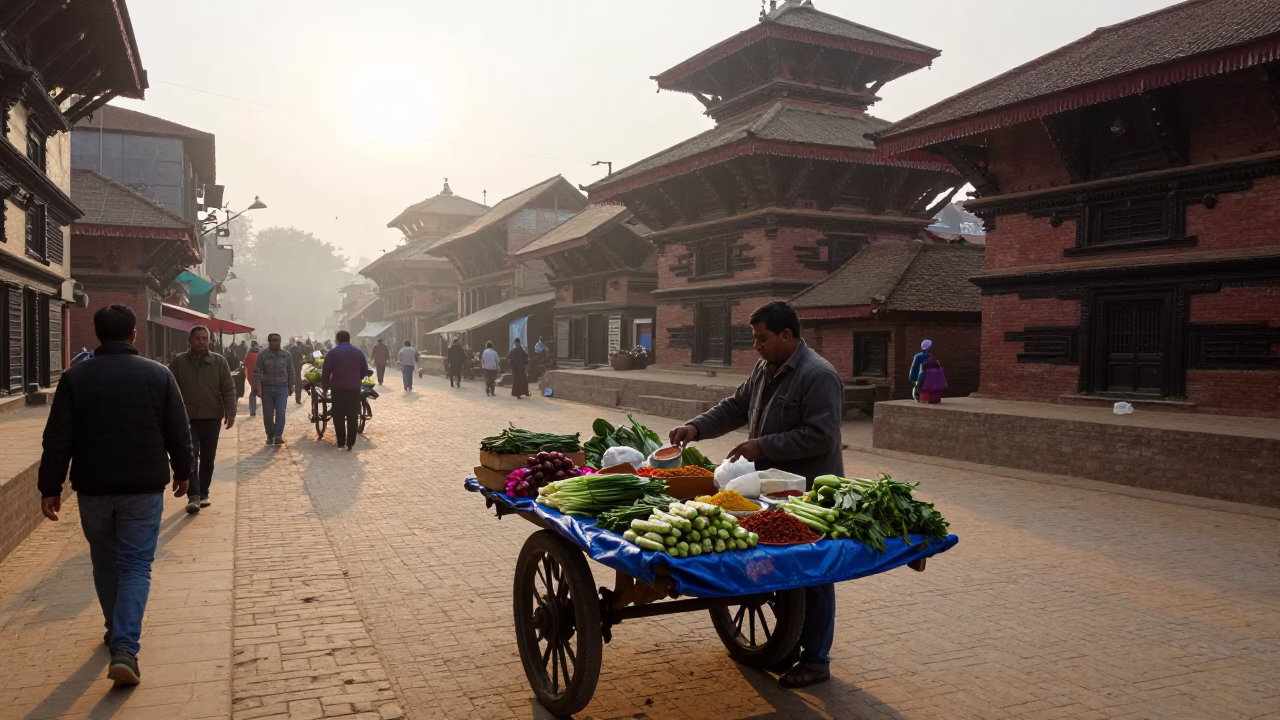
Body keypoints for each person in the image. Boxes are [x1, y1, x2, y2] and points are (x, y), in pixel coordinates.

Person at [668, 301, 843, 689]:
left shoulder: (819, 376)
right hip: (771, 492)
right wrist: (696, 428)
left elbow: (822, 435)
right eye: (754, 339)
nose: (756, 346)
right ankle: (789, 646)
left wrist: (763, 445)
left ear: (786, 335)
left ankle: (816, 660)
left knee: (813, 577)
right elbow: (736, 406)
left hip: (808, 492)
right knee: (784, 570)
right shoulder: (765, 369)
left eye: (762, 338)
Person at [38, 304, 194, 686]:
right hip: (143, 486)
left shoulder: (75, 379)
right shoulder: (159, 375)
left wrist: (50, 486)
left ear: (97, 334)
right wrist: (185, 471)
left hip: (93, 487)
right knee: (136, 565)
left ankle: (115, 631)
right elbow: (178, 427)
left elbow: (58, 437)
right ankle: (125, 646)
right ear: (134, 334)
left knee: (105, 562)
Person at [169, 326, 236, 514]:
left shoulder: (219, 362)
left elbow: (228, 389)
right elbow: (170, 390)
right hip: (187, 419)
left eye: (205, 338)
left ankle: (204, 491)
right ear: (190, 341)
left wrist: (230, 413)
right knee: (191, 457)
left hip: (212, 417)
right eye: (197, 338)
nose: (201, 342)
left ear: (210, 341)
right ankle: (194, 495)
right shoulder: (179, 362)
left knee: (208, 457)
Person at [321, 330, 371, 451]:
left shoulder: (332, 353)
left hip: (337, 388)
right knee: (352, 415)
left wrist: (325, 384)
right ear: (349, 339)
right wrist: (357, 377)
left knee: (338, 415)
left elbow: (326, 370)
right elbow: (364, 370)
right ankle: (350, 443)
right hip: (353, 389)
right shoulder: (358, 352)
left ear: (337, 339)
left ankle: (341, 441)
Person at [255, 333, 295, 445]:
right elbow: (257, 371)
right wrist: (257, 387)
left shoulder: (286, 355)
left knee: (281, 412)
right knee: (268, 414)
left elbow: (291, 371)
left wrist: (291, 385)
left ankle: (278, 436)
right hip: (267, 388)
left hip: (282, 387)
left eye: (277, 340)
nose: (275, 343)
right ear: (269, 342)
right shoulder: (263, 355)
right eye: (273, 341)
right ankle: (270, 435)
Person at [909, 339, 947, 404]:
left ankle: (922, 397)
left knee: (920, 389)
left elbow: (914, 369)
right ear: (929, 347)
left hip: (921, 379)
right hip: (929, 380)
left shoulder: (918, 356)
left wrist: (912, 377)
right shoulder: (931, 357)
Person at [244, 341, 260, 417]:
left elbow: (244, 365)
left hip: (251, 377)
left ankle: (252, 412)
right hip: (259, 377)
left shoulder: (248, 356)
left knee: (253, 393)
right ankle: (269, 411)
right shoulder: (259, 356)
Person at [289, 339, 306, 404]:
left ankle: (290, 391)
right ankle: (298, 398)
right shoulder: (299, 349)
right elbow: (301, 358)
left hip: (291, 367)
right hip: (298, 367)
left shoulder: (290, 349)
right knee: (298, 381)